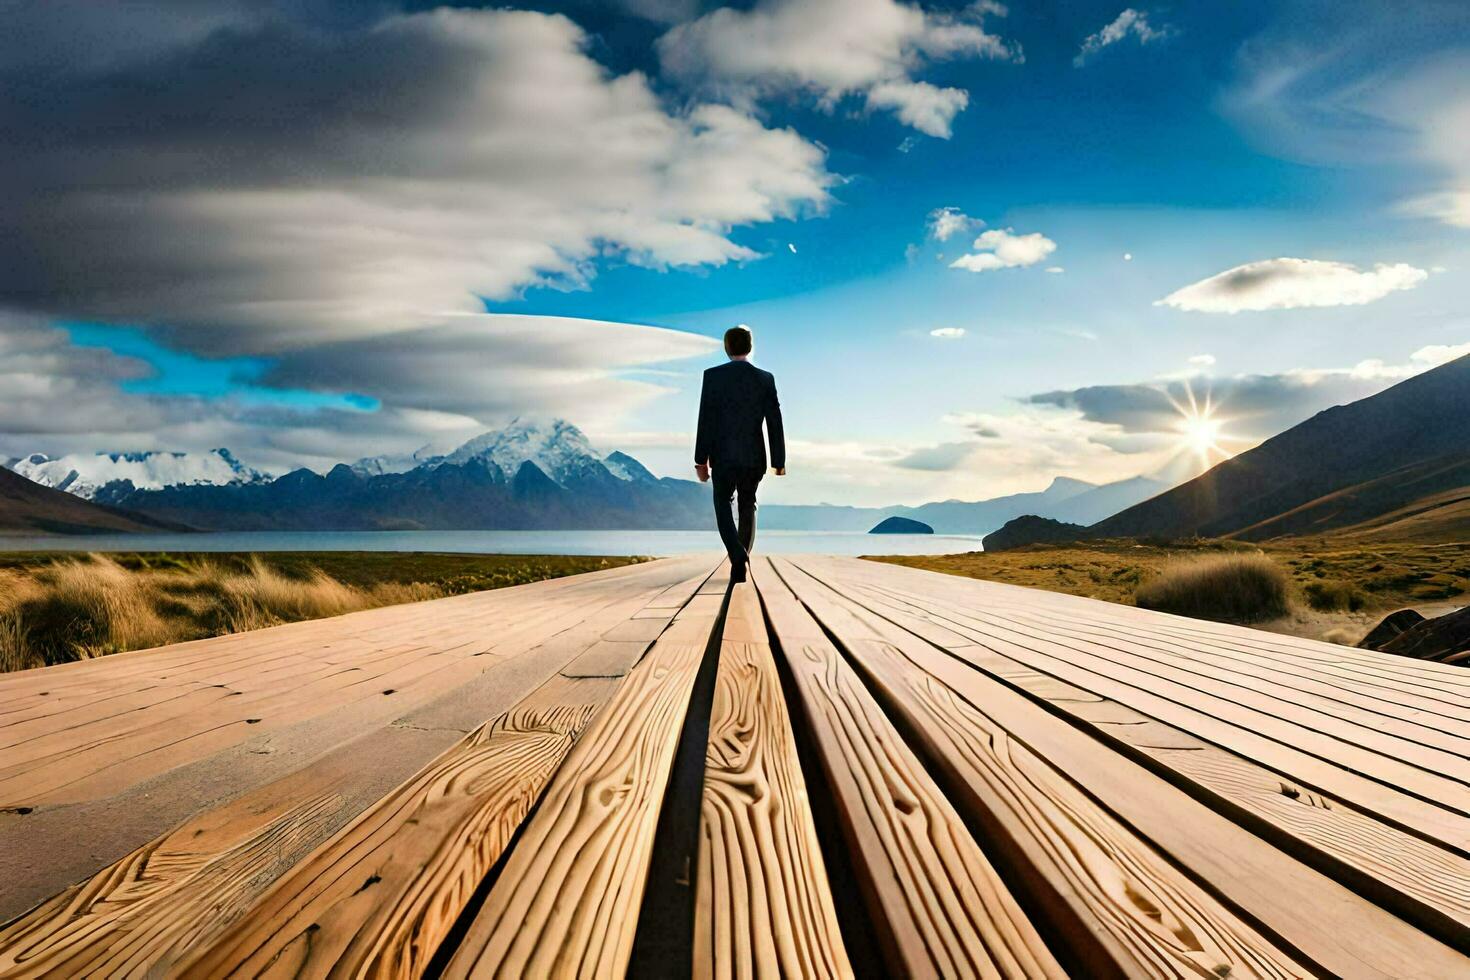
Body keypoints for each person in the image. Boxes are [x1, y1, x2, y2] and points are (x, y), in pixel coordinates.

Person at [694, 325, 785, 583]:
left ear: (726, 348)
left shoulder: (712, 376)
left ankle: (737, 555)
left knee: (722, 503)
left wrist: (701, 459)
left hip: (721, 455)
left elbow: (705, 420)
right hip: (754, 456)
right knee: (748, 503)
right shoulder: (765, 379)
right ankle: (741, 556)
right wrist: (779, 462)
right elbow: (774, 422)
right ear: (750, 346)